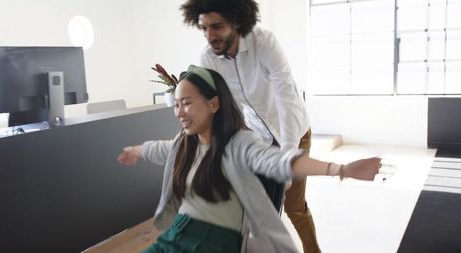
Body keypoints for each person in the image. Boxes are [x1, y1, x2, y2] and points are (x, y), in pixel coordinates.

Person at [117, 65, 381, 253]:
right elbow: (161, 149)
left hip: (218, 238)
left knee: (295, 207)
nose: (179, 112)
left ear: (213, 104)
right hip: (180, 233)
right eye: (176, 104)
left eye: (186, 103)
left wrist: (341, 169)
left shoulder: (241, 140)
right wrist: (136, 151)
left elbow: (283, 161)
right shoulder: (186, 141)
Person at [179, 0, 319, 252]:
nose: (210, 36)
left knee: (294, 207)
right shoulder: (208, 58)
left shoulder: (264, 43)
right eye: (204, 28)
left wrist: (287, 156)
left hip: (294, 131)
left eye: (217, 26)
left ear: (237, 21)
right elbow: (215, 108)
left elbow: (286, 98)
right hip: (259, 137)